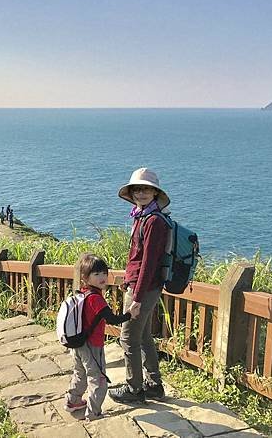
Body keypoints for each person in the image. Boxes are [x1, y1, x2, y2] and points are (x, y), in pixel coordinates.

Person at [108, 168, 170, 404]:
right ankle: (154, 385)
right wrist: (128, 282)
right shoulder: (142, 216)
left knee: (128, 338)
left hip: (143, 289)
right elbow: (137, 257)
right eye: (137, 189)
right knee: (142, 336)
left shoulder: (153, 221)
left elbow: (148, 264)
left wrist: (136, 298)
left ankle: (134, 388)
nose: (141, 193)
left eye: (146, 189)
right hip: (139, 286)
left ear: (155, 193)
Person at [65, 253, 140, 421]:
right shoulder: (97, 299)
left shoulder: (81, 293)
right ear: (85, 277)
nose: (102, 277)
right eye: (97, 274)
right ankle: (93, 412)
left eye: (104, 273)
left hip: (77, 343)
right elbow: (113, 319)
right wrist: (130, 314)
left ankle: (72, 401)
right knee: (98, 379)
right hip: (92, 345)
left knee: (80, 374)